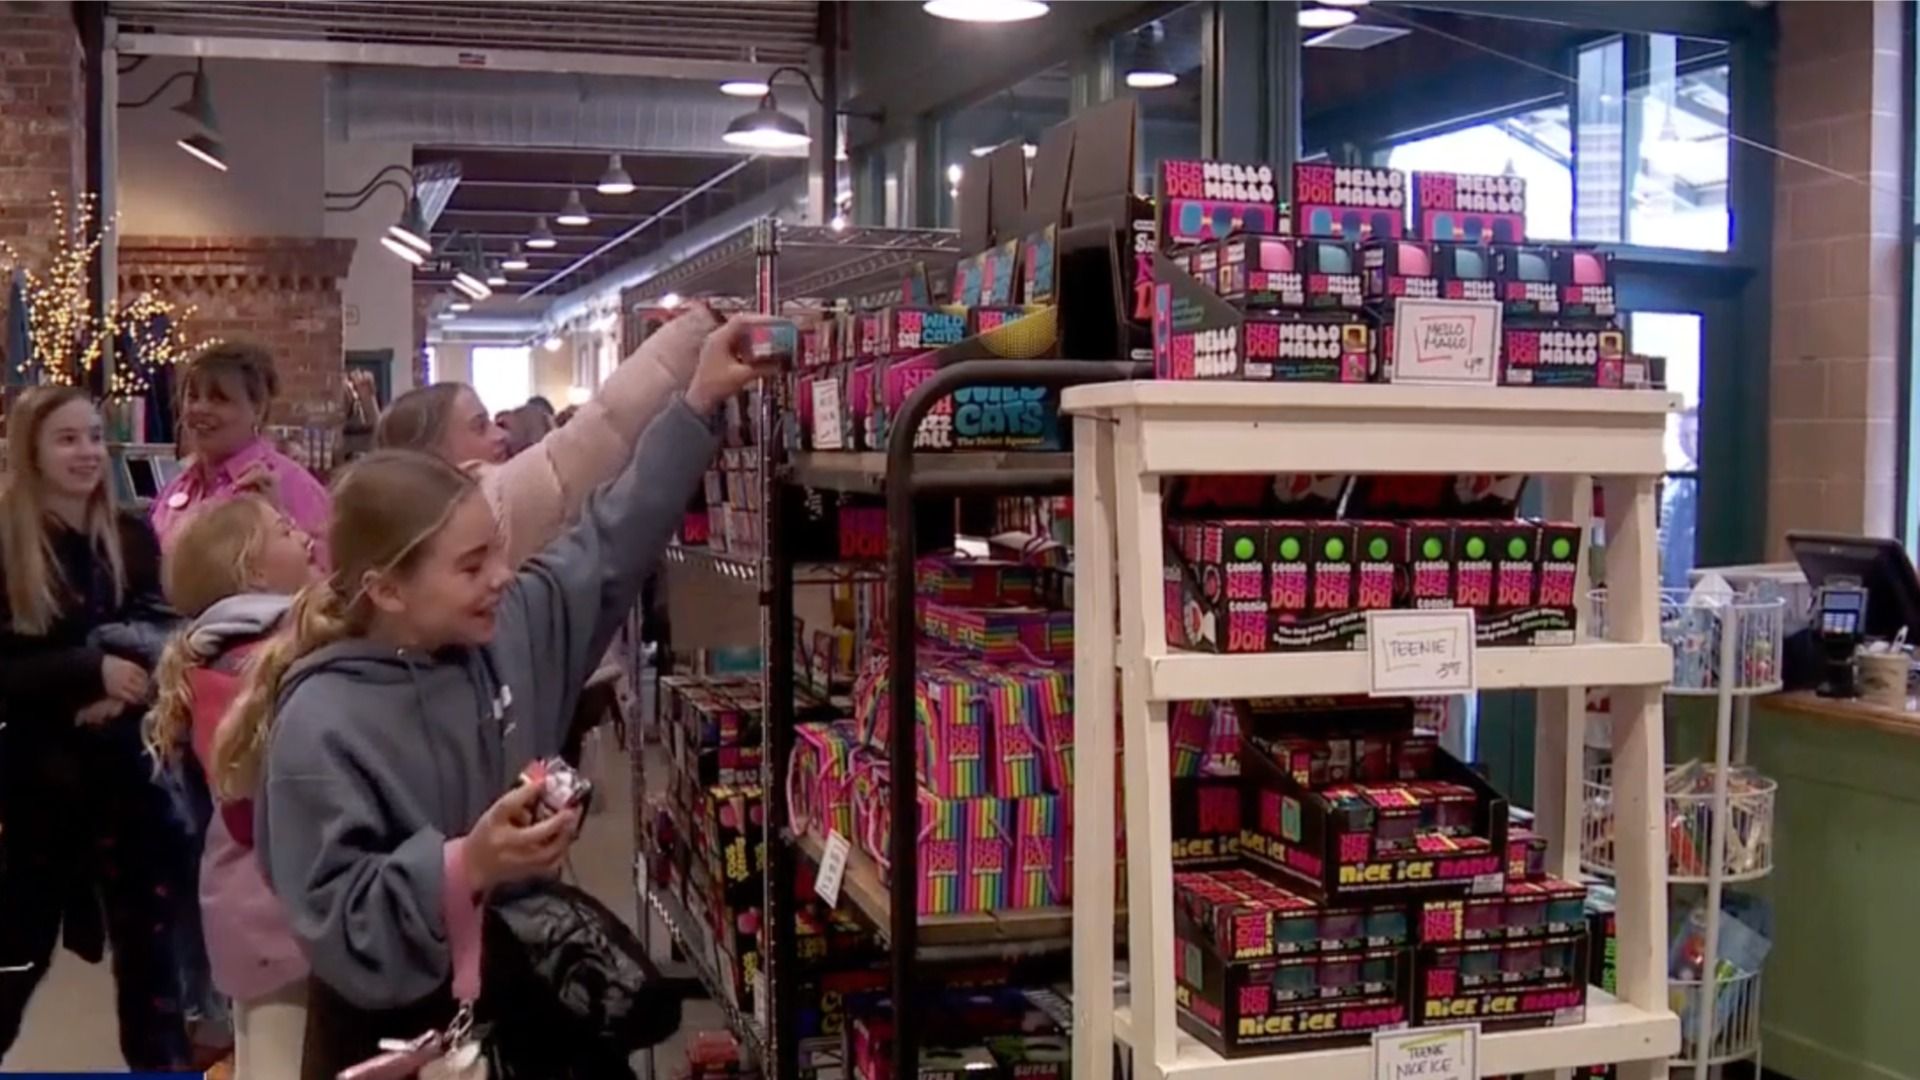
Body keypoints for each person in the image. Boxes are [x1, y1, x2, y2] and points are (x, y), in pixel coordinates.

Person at [243, 317, 774, 1078]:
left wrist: (696, 402)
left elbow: (610, 539)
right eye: (469, 566)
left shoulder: (506, 630)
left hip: (527, 1007)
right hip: (398, 1041)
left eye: (496, 551)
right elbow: (336, 917)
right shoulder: (318, 726)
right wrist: (466, 865)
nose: (500, 576)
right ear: (385, 588)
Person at [0, 385, 195, 1069]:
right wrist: (86, 670)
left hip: (131, 786)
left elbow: (170, 629)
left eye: (92, 437)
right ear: (32, 450)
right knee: (15, 954)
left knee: (152, 968)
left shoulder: (132, 533)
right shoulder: (9, 545)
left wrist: (126, 680)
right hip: (34, 789)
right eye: (67, 439)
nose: (86, 452)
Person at [146, 497, 319, 1080]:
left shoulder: (216, 656)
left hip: (246, 908)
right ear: (252, 569)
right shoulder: (261, 661)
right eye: (284, 527)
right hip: (276, 907)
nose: (303, 529)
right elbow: (253, 800)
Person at [378, 305, 718, 567]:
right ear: (433, 451)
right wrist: (693, 331)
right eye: (479, 426)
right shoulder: (492, 504)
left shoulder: (417, 532)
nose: (499, 435)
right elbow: (605, 426)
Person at [151, 342, 332, 562]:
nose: (200, 408)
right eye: (193, 397)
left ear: (257, 408)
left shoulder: (292, 485)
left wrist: (281, 519)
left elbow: (326, 576)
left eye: (219, 399)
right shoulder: (176, 488)